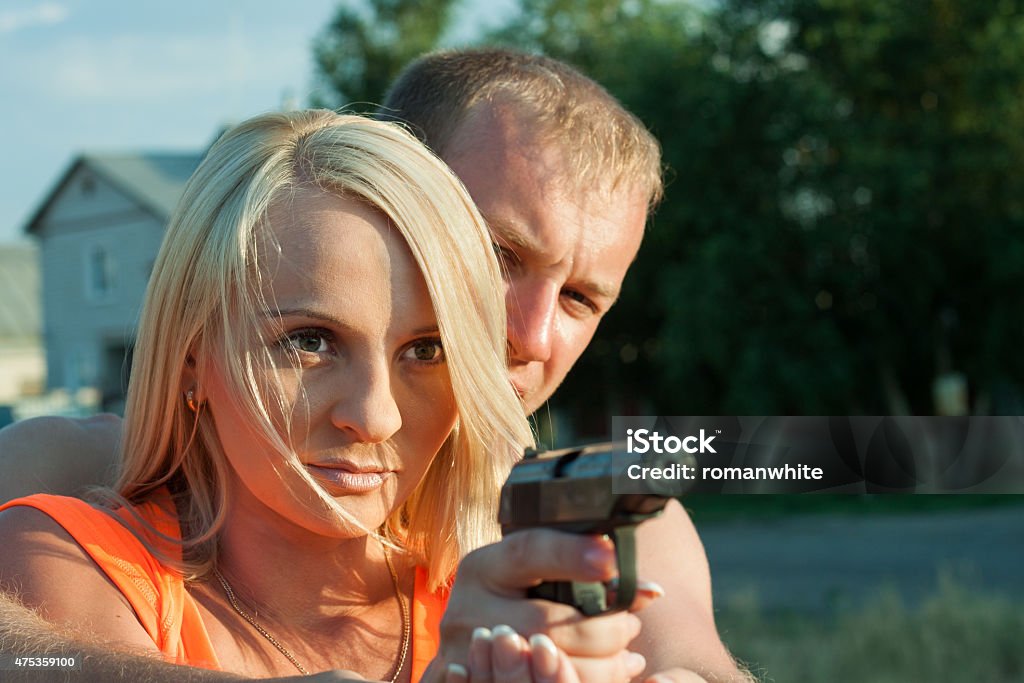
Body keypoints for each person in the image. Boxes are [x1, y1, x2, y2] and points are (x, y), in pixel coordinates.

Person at [0, 49, 748, 680]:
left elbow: (692, 662)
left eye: (582, 298)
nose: (528, 332)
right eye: (500, 257)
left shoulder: (604, 519)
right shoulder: (68, 486)